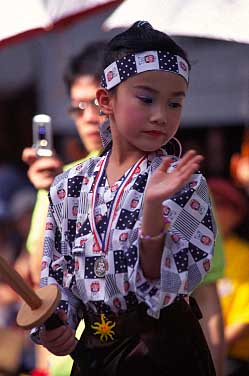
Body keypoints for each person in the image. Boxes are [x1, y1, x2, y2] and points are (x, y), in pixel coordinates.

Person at [29, 21, 219, 375]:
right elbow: (56, 274)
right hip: (95, 353)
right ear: (105, 100)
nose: (161, 115)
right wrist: (60, 323)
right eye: (146, 99)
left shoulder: (185, 183)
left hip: (165, 352)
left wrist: (151, 209)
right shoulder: (69, 186)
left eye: (175, 103)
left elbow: (165, 289)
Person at [22, 41, 107, 376]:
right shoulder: (64, 183)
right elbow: (38, 279)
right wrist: (47, 192)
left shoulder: (174, 182)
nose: (87, 118)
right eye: (77, 107)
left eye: (97, 103)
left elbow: (205, 300)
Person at [208, 178, 249, 376]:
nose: (212, 209)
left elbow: (244, 318)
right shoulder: (192, 251)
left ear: (237, 214)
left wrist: (214, 347)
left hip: (234, 356)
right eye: (208, 201)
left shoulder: (245, 255)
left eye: (220, 204)